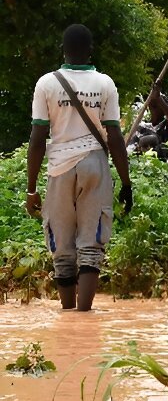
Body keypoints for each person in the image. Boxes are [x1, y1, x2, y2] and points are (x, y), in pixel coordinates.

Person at [25, 24, 133, 311]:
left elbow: (37, 139)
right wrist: (126, 182)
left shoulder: (46, 84)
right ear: (91, 50)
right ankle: (85, 315)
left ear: (63, 50)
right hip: (95, 165)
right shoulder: (105, 84)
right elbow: (115, 137)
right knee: (91, 243)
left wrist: (31, 189)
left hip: (59, 167)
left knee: (62, 245)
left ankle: (67, 315)